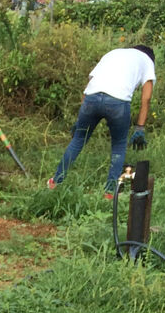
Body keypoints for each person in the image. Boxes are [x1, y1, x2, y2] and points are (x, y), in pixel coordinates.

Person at [48, 44, 155, 200]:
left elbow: (89, 85)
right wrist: (140, 127)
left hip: (91, 98)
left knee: (78, 139)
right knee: (118, 145)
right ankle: (110, 193)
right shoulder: (148, 61)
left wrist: (80, 121)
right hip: (117, 102)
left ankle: (55, 182)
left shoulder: (113, 53)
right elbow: (146, 97)